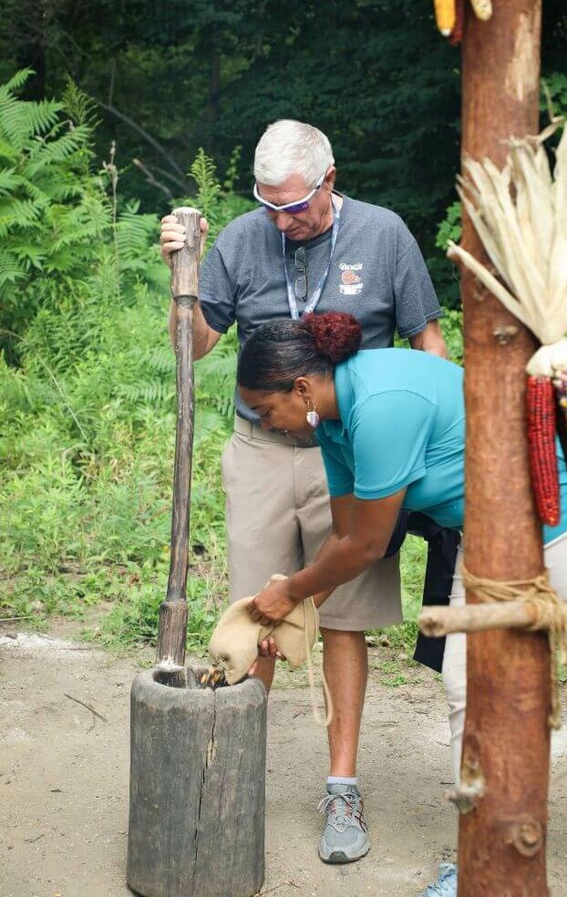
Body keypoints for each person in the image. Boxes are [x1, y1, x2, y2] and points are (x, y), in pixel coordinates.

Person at [160, 119, 459, 864]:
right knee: (257, 608)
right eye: (268, 206)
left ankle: (342, 787)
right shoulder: (241, 238)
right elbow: (195, 344)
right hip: (263, 449)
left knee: (345, 616)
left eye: (294, 206)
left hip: (360, 454)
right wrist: (183, 278)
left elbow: (429, 342)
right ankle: (231, 775)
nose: (282, 221)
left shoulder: (385, 235)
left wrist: (438, 436)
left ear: (330, 180)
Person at [237, 311, 567, 897]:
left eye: (266, 411)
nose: (269, 426)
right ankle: (485, 863)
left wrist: (287, 592)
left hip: (562, 525)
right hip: (485, 539)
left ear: (301, 389)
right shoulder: (330, 427)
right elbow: (343, 535)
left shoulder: (381, 402)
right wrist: (296, 614)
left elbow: (366, 545)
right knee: (471, 693)